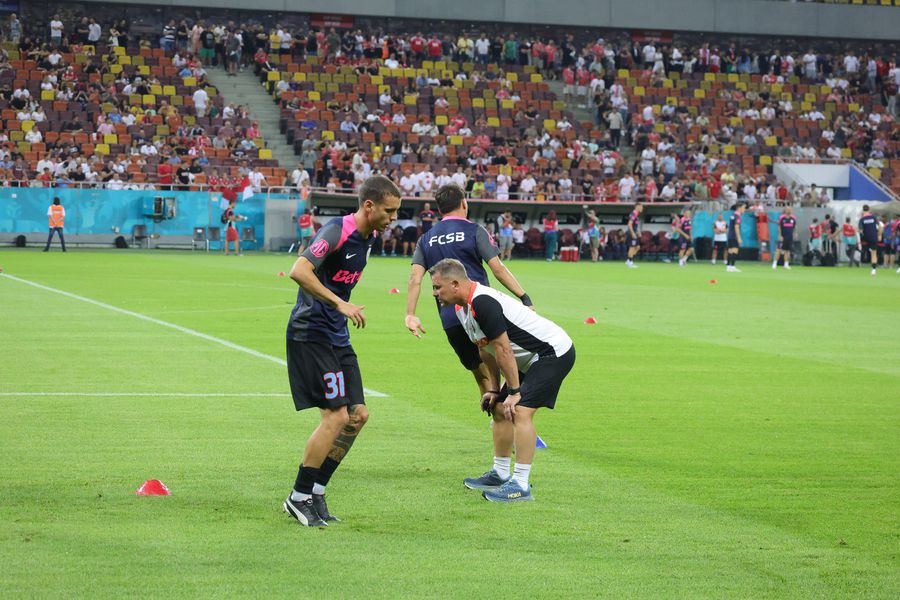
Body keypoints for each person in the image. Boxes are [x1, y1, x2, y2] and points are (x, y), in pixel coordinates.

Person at [283, 175, 401, 527]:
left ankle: (317, 489)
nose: (393, 218)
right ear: (369, 206)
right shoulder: (337, 231)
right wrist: (339, 303)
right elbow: (299, 270)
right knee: (335, 416)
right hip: (312, 333)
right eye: (389, 211)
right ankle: (298, 497)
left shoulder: (370, 238)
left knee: (358, 415)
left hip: (337, 336)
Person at [428, 258, 575, 502]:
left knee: (520, 411)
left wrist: (515, 391)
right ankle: (500, 473)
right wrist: (496, 390)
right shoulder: (460, 307)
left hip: (552, 352)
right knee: (498, 407)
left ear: (455, 284)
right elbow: (486, 351)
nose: (434, 293)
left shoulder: (482, 302)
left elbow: (504, 349)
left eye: (437, 287)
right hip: (528, 359)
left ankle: (521, 484)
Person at [405, 183, 532, 398]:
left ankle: (498, 424)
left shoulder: (426, 239)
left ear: (439, 210)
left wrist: (410, 314)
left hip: (451, 320)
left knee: (482, 378)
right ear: (464, 203)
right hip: (481, 312)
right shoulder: (475, 231)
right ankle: (515, 427)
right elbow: (498, 269)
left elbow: (414, 279)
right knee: (507, 373)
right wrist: (524, 297)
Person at [858, 205, 881, 276]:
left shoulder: (862, 219)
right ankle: (873, 270)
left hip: (866, 239)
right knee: (874, 254)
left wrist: (857, 230)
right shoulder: (874, 217)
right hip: (873, 237)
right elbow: (879, 226)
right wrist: (879, 235)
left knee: (864, 251)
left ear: (863, 210)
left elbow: (861, 231)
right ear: (869, 209)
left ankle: (864, 256)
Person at [726, 203, 745, 273]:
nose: (744, 210)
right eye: (743, 208)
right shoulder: (737, 216)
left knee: (730, 251)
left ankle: (728, 267)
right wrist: (739, 237)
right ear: (739, 208)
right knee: (735, 251)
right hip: (734, 236)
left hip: (730, 236)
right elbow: (736, 227)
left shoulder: (732, 215)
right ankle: (732, 266)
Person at [625, 202, 643, 268]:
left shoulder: (636, 215)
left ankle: (628, 259)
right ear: (637, 206)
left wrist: (638, 232)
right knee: (632, 247)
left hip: (634, 233)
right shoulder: (633, 213)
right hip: (631, 233)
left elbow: (635, 225)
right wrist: (633, 233)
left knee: (637, 247)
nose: (642, 208)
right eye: (641, 207)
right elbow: (629, 224)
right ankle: (630, 262)